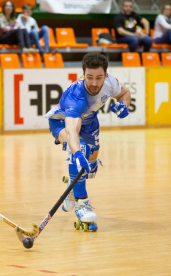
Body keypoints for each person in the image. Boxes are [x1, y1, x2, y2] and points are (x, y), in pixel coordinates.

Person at [44, 52, 131, 231]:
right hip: (62, 122)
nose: (93, 83)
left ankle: (71, 185)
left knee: (91, 168)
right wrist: (76, 153)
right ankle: (82, 205)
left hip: (90, 123)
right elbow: (72, 131)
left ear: (105, 75)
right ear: (83, 74)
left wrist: (124, 106)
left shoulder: (110, 83)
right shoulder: (76, 97)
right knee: (80, 152)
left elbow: (125, 93)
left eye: (98, 78)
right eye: (89, 77)